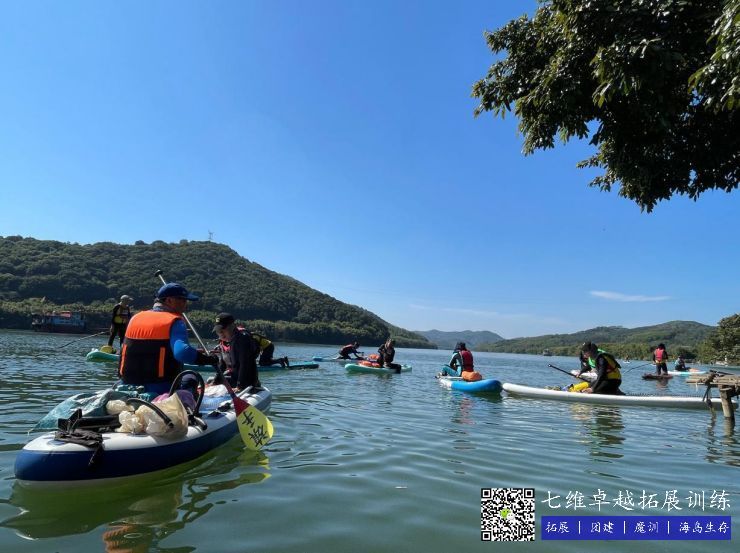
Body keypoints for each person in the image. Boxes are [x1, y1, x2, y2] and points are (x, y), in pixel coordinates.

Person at [118, 283, 219, 394]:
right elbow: (182, 353)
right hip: (161, 388)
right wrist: (208, 359)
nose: (186, 305)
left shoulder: (135, 318)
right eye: (183, 300)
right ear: (169, 300)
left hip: (127, 385)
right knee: (191, 377)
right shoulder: (175, 321)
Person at [212, 313, 261, 391]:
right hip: (234, 379)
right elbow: (222, 364)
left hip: (247, 383)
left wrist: (240, 386)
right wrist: (214, 382)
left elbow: (244, 364)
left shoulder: (243, 338)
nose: (221, 333)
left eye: (223, 329)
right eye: (218, 330)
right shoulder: (224, 342)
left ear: (232, 326)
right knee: (211, 381)